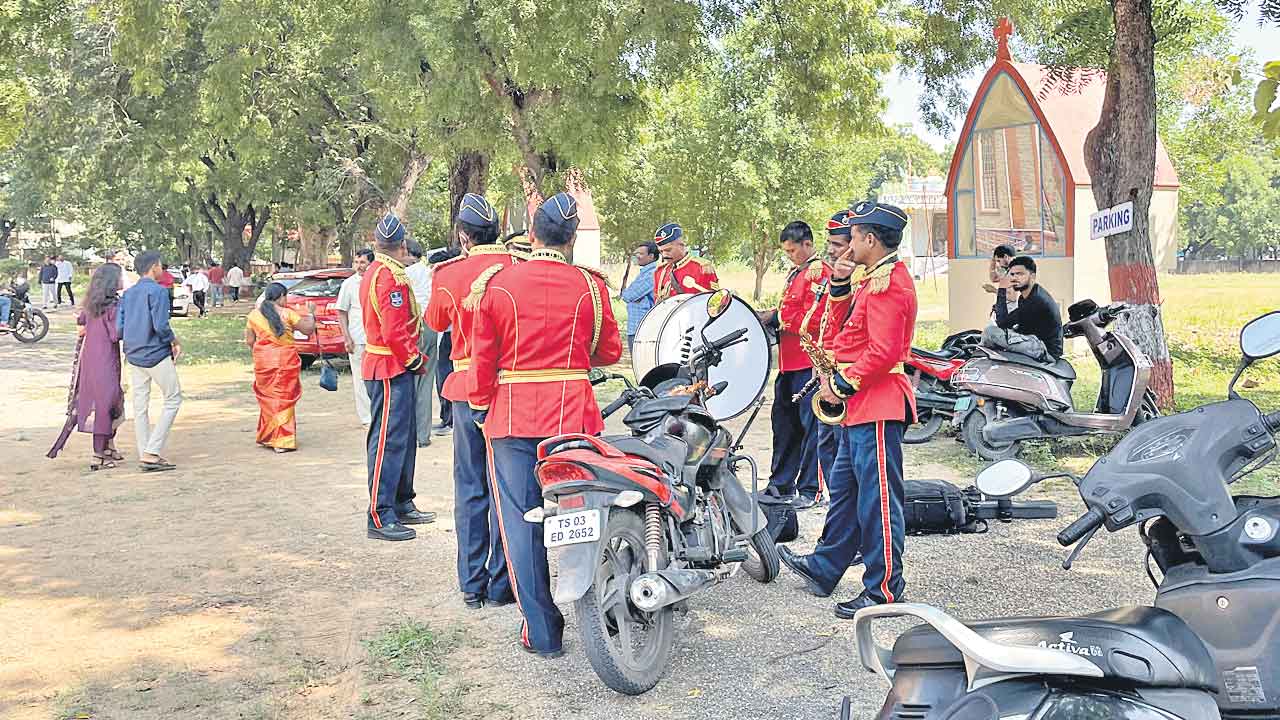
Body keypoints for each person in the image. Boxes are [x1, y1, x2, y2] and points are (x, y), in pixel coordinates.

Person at [470, 192, 622, 659]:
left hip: (513, 414)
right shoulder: (591, 286)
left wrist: (480, 405)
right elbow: (609, 352)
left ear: (531, 234)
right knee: (590, 516)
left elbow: (482, 361)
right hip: (573, 413)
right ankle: (603, 614)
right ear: (573, 238)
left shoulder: (497, 283)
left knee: (519, 522)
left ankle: (542, 631)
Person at [777, 200, 918, 617]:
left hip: (876, 402)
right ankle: (825, 568)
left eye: (853, 237)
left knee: (878, 501)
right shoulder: (868, 278)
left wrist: (840, 383)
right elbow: (840, 332)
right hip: (860, 405)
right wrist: (839, 286)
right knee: (845, 493)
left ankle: (885, 589)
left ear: (870, 239)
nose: (844, 245)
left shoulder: (889, 282)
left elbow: (885, 349)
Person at [426, 192, 518, 610]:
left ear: (464, 237)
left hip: (465, 390)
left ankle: (471, 582)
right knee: (509, 485)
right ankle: (503, 582)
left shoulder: (449, 274)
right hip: (510, 389)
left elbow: (434, 322)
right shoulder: (518, 267)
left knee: (470, 486)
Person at [360, 213, 436, 541]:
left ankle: (402, 501)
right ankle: (380, 513)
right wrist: (415, 358)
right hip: (390, 366)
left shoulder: (378, 271)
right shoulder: (390, 277)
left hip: (391, 365)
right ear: (402, 245)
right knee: (388, 442)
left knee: (403, 441)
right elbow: (394, 331)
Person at [758, 221, 830, 509]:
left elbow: (818, 317)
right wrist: (771, 314)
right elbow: (790, 308)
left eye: (793, 250)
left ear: (808, 244)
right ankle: (781, 484)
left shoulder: (820, 273)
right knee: (784, 425)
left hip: (808, 362)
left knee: (812, 427)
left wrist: (778, 320)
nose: (790, 255)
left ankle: (811, 488)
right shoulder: (796, 273)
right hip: (788, 363)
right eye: (786, 251)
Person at [46, 263, 126, 469]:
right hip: (105, 359)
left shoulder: (91, 304)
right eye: (120, 276)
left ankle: (108, 446)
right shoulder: (113, 307)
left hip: (90, 358)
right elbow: (115, 334)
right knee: (106, 403)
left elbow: (81, 323)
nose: (123, 280)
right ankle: (98, 454)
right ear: (112, 282)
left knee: (108, 401)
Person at [116, 250, 184, 472]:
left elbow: (119, 328)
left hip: (133, 354)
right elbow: (160, 325)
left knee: (140, 406)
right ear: (154, 266)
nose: (162, 269)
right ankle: (152, 451)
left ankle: (145, 451)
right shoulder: (159, 291)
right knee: (173, 398)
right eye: (161, 265)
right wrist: (174, 341)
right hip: (155, 353)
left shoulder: (128, 294)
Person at [245, 283, 317, 452]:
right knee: (283, 399)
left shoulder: (254, 315)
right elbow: (308, 330)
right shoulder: (287, 314)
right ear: (281, 297)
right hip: (284, 362)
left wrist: (263, 351)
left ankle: (267, 436)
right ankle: (281, 440)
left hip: (263, 362)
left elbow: (249, 341)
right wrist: (311, 314)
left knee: (269, 399)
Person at [981, 255, 1063, 362]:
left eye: (1020, 274)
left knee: (990, 332)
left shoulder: (1037, 300)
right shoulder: (1026, 296)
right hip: (1035, 341)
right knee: (992, 332)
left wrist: (1002, 289)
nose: (1015, 278)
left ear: (1032, 276)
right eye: (1012, 274)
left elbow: (1003, 323)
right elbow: (1009, 322)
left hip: (1045, 349)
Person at [404, 239, 440, 449]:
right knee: (426, 383)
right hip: (432, 326)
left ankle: (413, 432)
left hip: (416, 327)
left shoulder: (407, 274)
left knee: (411, 382)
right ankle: (423, 435)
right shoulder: (429, 271)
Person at [337, 248, 374, 426]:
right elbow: (341, 312)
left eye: (363, 263)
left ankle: (378, 414)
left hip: (376, 341)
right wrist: (347, 338)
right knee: (359, 379)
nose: (359, 266)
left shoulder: (376, 281)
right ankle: (367, 418)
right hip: (357, 338)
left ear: (370, 264)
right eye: (357, 262)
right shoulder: (349, 284)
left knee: (375, 378)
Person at [652, 222, 719, 302]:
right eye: (661, 251)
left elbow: (713, 301)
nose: (664, 255)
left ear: (681, 244)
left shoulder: (702, 268)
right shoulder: (660, 271)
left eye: (668, 250)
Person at [620, 241, 658, 352]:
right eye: (636, 253)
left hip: (642, 329)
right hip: (636, 328)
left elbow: (628, 295)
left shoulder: (652, 273)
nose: (637, 256)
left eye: (641, 253)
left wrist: (633, 297)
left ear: (651, 256)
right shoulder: (644, 273)